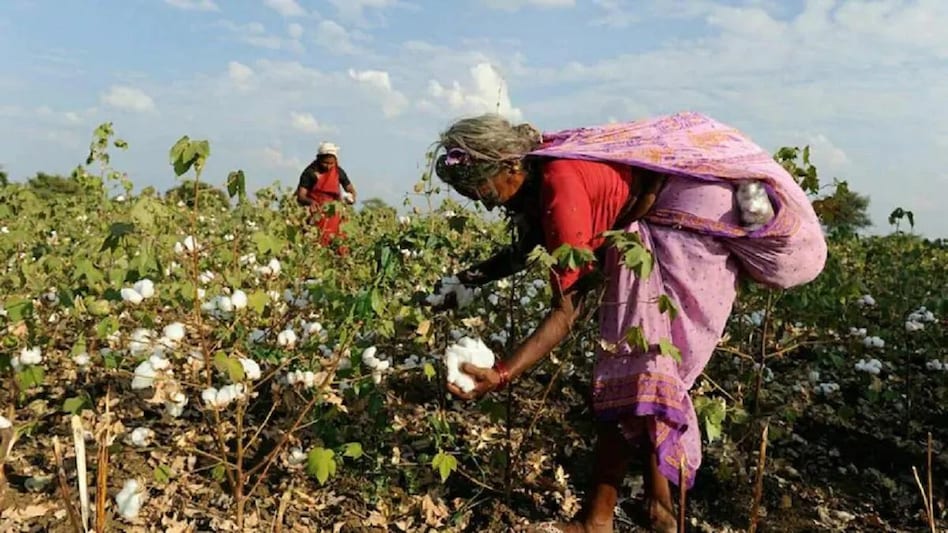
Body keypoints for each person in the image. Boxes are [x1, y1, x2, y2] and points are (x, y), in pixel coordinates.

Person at [428, 111, 827, 532]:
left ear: (510, 164)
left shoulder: (559, 182)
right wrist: (468, 278)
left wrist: (503, 374)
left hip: (689, 225)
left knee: (637, 369)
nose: (479, 198)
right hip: (675, 212)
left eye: (479, 185)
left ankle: (597, 521)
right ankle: (661, 512)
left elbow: (566, 310)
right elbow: (531, 245)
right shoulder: (540, 173)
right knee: (650, 371)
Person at [297, 141, 357, 250]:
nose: (328, 166)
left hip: (335, 212)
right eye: (325, 163)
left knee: (339, 243)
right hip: (316, 211)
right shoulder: (309, 173)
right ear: (318, 159)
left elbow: (351, 190)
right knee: (317, 242)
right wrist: (310, 202)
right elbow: (301, 196)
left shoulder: (338, 172)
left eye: (331, 163)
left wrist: (351, 198)